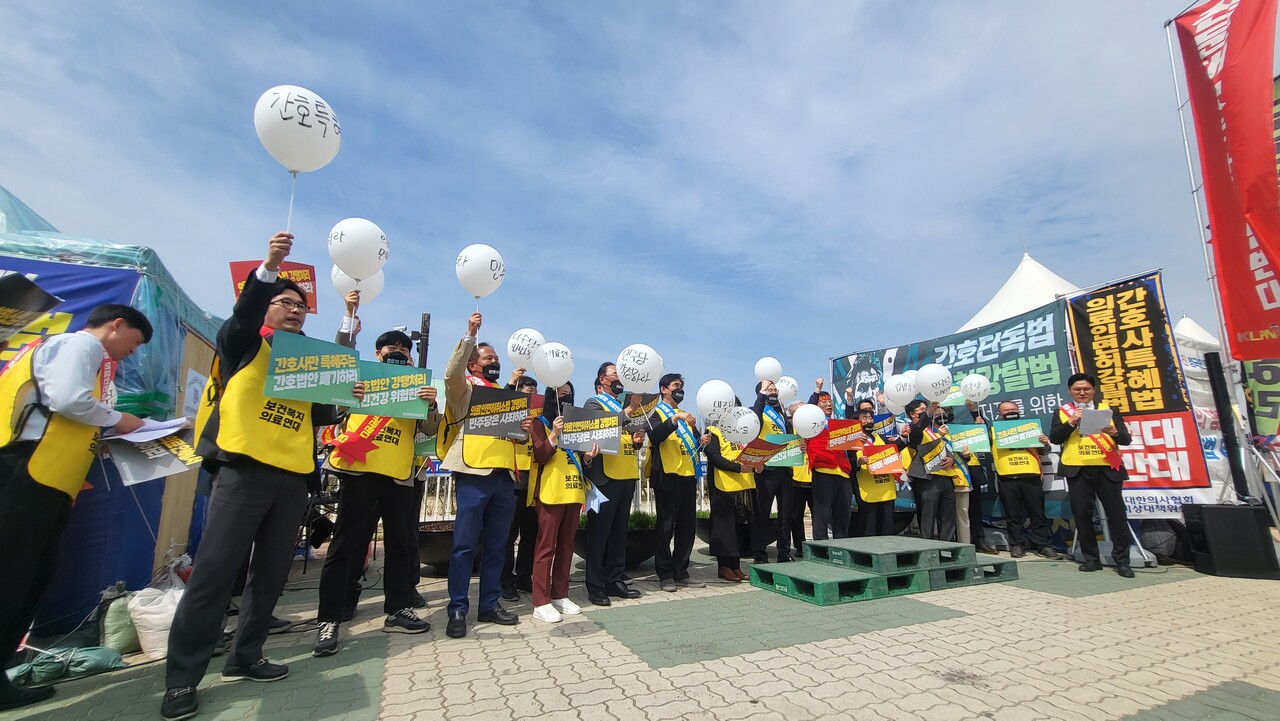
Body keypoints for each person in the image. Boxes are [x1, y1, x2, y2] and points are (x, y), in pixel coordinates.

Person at [164, 233, 360, 721]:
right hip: (242, 473)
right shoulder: (243, 346)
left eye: (301, 306)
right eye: (285, 302)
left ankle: (245, 656)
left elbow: (322, 412)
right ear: (264, 306)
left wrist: (345, 378)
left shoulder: (302, 363)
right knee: (213, 576)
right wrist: (270, 268)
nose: (296, 310)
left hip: (293, 480)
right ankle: (182, 680)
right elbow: (243, 316)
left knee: (270, 577)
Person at [0, 305, 150, 711]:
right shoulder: (80, 345)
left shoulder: (87, 358)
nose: (131, 353)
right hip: (27, 473)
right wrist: (120, 420)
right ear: (116, 325)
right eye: (134, 343)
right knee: (13, 576)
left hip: (49, 479)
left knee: (31, 576)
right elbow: (67, 399)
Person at [312, 318, 441, 657]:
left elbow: (428, 429)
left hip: (399, 474)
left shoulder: (417, 386)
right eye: (392, 348)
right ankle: (330, 617)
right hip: (359, 471)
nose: (398, 353)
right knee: (344, 546)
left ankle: (396, 609)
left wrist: (430, 403)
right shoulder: (359, 378)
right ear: (377, 352)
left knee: (400, 546)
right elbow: (334, 406)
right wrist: (347, 393)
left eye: (404, 350)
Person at [438, 317, 522, 637]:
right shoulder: (466, 389)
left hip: (503, 476)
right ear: (474, 364)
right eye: (489, 358)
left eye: (497, 359)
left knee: (497, 547)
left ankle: (489, 604)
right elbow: (451, 374)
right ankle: (458, 608)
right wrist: (470, 337)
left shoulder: (504, 394)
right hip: (473, 472)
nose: (495, 362)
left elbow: (515, 435)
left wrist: (523, 431)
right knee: (464, 545)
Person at [1048, 373, 1135, 577]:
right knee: (1082, 514)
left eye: (1086, 389)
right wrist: (1071, 422)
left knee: (1117, 515)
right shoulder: (1062, 412)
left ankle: (1122, 561)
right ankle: (1091, 559)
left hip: (1107, 468)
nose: (1082, 393)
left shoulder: (1108, 410)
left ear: (1093, 390)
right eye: (1077, 389)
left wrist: (1114, 432)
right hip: (1077, 468)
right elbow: (1054, 436)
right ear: (1070, 391)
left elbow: (1126, 439)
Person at [581, 363, 646, 606]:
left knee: (619, 533)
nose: (619, 378)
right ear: (602, 380)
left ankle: (615, 578)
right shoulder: (593, 403)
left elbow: (625, 436)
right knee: (599, 534)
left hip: (626, 474)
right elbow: (599, 427)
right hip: (604, 477)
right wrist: (629, 409)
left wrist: (637, 440)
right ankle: (595, 584)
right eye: (614, 374)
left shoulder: (621, 407)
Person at [527, 385, 593, 622]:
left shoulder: (575, 426)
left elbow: (577, 459)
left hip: (574, 491)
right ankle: (540, 601)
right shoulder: (539, 423)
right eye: (561, 392)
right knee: (546, 546)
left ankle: (560, 594)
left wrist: (587, 457)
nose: (567, 396)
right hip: (551, 492)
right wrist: (553, 435)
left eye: (570, 392)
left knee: (566, 545)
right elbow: (540, 455)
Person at [979, 400, 1056, 559]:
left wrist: (1044, 442)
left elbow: (1045, 451)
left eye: (1013, 409)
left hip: (1031, 476)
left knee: (1038, 514)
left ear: (1019, 411)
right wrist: (978, 423)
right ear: (999, 414)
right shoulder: (992, 431)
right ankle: (1017, 546)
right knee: (1012, 515)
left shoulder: (1030, 428)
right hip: (1007, 477)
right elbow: (978, 441)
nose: (1010, 412)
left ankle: (1044, 546)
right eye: (1006, 410)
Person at [648, 373, 704, 592]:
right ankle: (665, 574)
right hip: (667, 477)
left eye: (681, 386)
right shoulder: (656, 411)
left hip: (687, 476)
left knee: (687, 527)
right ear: (664, 389)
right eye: (675, 386)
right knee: (665, 527)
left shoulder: (686, 415)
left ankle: (681, 571)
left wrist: (702, 440)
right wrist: (673, 420)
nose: (679, 390)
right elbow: (654, 436)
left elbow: (695, 441)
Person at [702, 412, 757, 582]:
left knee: (737, 527)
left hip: (742, 485)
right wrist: (739, 468)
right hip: (722, 486)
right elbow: (715, 458)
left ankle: (736, 566)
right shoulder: (713, 432)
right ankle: (724, 567)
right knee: (723, 528)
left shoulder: (740, 434)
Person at [500, 374, 539, 601]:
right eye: (527, 393)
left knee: (530, 533)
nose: (531, 396)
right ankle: (505, 581)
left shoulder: (540, 416)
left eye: (534, 392)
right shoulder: (508, 413)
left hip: (534, 480)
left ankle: (525, 576)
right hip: (513, 478)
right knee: (508, 535)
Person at [902, 399, 958, 542]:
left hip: (945, 476)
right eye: (921, 410)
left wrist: (951, 459)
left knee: (948, 516)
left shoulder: (933, 431)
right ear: (912, 414)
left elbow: (945, 447)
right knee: (928, 515)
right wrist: (929, 412)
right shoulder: (912, 429)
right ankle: (927, 547)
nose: (927, 412)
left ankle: (948, 546)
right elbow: (917, 431)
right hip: (928, 478)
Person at [750, 380, 794, 562]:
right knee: (762, 513)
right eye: (769, 389)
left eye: (775, 389)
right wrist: (762, 394)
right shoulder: (759, 410)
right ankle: (760, 554)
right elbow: (755, 417)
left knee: (786, 514)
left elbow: (789, 436)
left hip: (785, 468)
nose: (773, 391)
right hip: (766, 469)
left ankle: (784, 552)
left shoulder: (780, 412)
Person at [805, 391, 853, 540]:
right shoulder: (811, 423)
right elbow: (808, 409)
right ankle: (821, 548)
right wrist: (816, 391)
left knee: (843, 514)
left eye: (829, 401)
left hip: (843, 471)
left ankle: (842, 546)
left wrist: (849, 401)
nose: (828, 404)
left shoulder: (836, 424)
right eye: (823, 402)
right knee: (822, 514)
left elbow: (851, 424)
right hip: (823, 468)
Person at [851, 405, 897, 536]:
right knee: (868, 524)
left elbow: (895, 448)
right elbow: (846, 461)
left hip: (885, 486)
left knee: (886, 525)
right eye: (864, 418)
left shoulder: (881, 438)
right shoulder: (850, 441)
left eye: (871, 417)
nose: (869, 420)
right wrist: (858, 462)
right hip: (866, 488)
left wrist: (904, 437)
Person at [786, 400, 813, 553]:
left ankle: (819, 547)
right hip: (795, 479)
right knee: (796, 517)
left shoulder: (815, 427)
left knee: (819, 517)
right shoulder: (788, 429)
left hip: (815, 478)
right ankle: (800, 547)